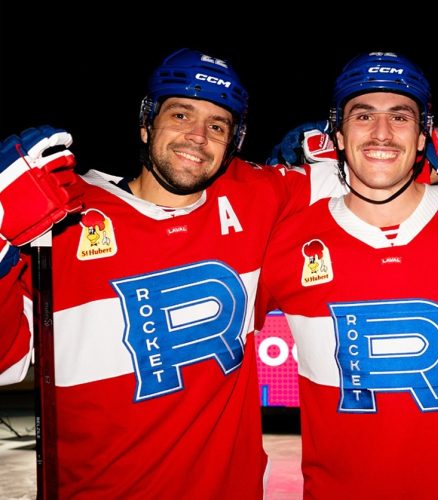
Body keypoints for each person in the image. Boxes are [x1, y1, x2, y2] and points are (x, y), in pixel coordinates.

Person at [0, 48, 341, 497]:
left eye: (217, 125)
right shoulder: (63, 213)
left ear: (233, 141)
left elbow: (377, 174)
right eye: (181, 114)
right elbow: (6, 365)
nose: (198, 136)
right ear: (146, 123)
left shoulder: (256, 195)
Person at [255, 51, 438, 498]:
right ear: (338, 135)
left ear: (424, 136)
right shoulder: (286, 240)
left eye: (400, 116)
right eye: (363, 115)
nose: (382, 133)